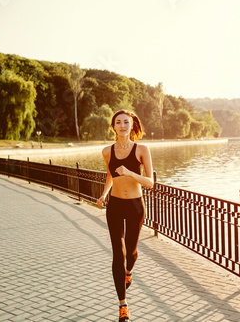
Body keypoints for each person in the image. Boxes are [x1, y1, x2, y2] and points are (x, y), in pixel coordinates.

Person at [96, 109, 153, 322]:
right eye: (118, 122)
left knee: (131, 252)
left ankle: (129, 270)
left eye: (126, 122)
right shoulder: (107, 151)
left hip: (136, 206)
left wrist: (129, 172)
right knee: (117, 255)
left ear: (132, 125)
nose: (122, 126)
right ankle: (123, 305)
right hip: (115, 206)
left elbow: (150, 182)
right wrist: (103, 195)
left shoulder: (142, 149)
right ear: (113, 127)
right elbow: (110, 176)